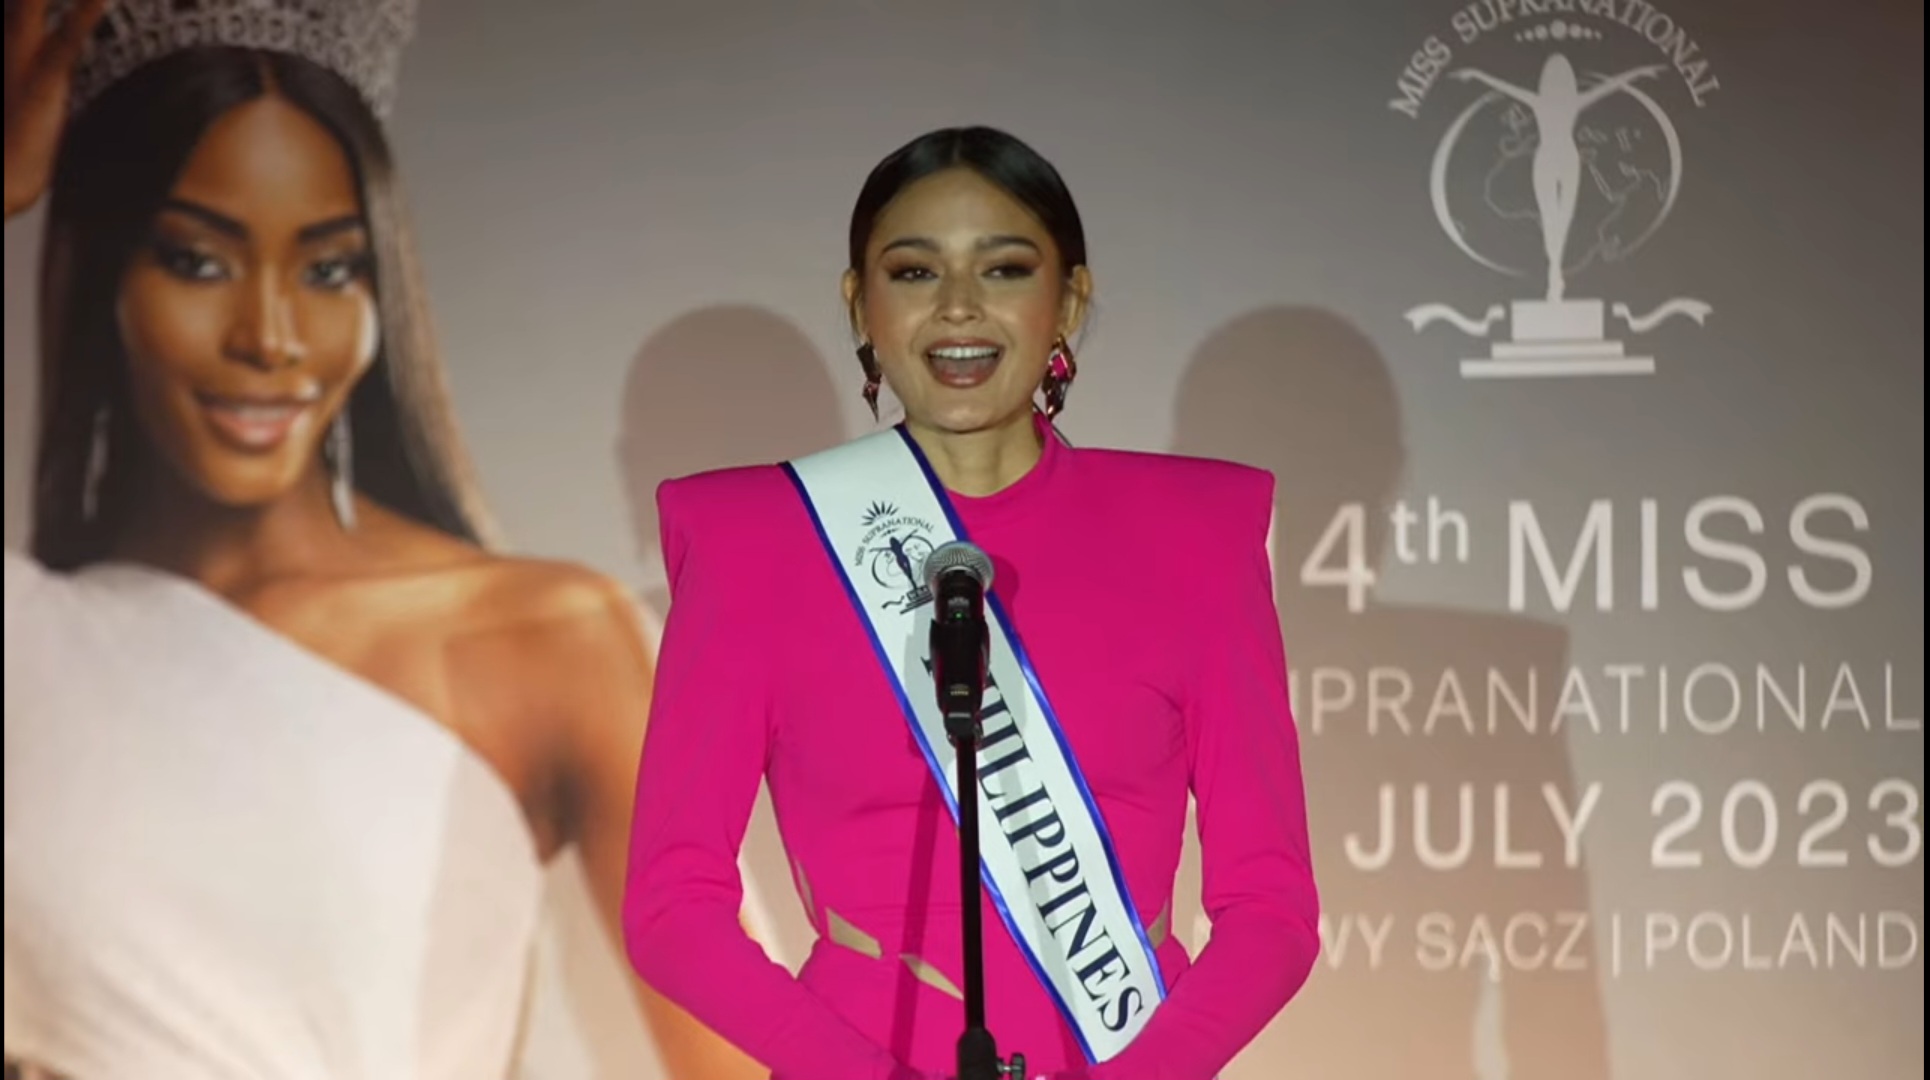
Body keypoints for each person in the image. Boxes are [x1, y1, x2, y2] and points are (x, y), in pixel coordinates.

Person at [0, 1, 760, 1076]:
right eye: (198, 261)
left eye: (328, 270)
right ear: (104, 273)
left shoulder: (549, 639)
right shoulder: (27, 642)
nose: (270, 337)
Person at [622, 126, 1320, 1080]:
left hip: (1123, 1049)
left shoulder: (1196, 536)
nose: (958, 308)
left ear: (1068, 300)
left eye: (1004, 270)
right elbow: (672, 907)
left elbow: (1271, 908)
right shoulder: (757, 541)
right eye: (913, 273)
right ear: (859, 303)